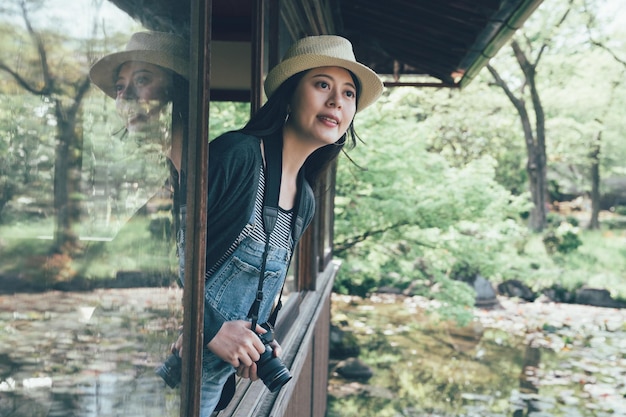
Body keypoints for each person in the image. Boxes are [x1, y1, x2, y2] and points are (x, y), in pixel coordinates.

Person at [93, 32, 384, 417]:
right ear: (290, 94)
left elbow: (257, 290)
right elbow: (153, 257)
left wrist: (260, 336)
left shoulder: (305, 200)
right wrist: (212, 330)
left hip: (207, 391)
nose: (337, 101)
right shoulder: (240, 156)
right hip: (150, 374)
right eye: (322, 85)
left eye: (349, 93)